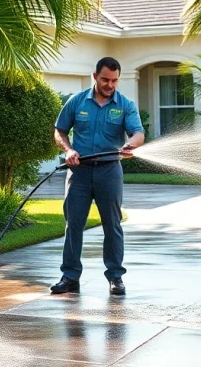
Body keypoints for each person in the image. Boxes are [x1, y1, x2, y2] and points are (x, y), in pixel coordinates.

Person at [51, 57, 145, 296]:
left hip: (109, 171)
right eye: (105, 79)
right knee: (73, 224)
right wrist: (68, 150)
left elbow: (138, 133)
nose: (110, 85)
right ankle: (70, 276)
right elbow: (59, 130)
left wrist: (131, 145)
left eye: (114, 80)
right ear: (95, 76)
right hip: (79, 173)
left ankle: (115, 277)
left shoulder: (125, 105)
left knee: (112, 225)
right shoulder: (77, 101)